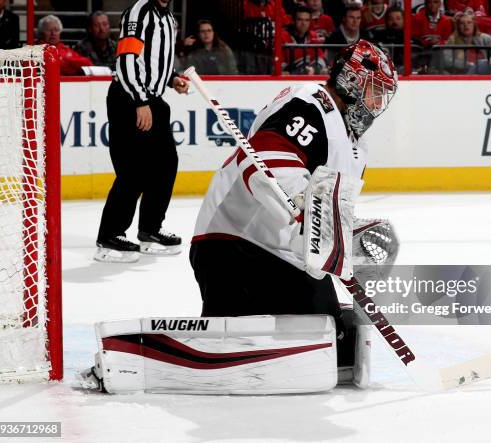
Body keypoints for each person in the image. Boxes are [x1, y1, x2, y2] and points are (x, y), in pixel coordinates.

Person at [190, 39, 397, 340]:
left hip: (285, 255)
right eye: (373, 93)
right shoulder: (311, 102)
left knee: (329, 336)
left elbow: (332, 213)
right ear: (352, 81)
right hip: (233, 240)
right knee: (236, 338)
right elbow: (263, 158)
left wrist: (342, 243)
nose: (377, 106)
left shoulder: (357, 147)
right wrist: (305, 209)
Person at [94, 0, 190, 263]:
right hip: (130, 99)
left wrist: (172, 79)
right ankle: (110, 236)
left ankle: (150, 229)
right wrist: (140, 101)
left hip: (152, 100)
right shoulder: (139, 12)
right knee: (132, 170)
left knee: (165, 164)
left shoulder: (168, 18)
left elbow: (153, 62)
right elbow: (126, 60)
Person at [438, 8, 491, 74]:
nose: (466, 25)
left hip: (484, 73)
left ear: (474, 25)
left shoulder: (486, 38)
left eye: (469, 22)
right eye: (462, 23)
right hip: (463, 75)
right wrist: (469, 65)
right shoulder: (452, 40)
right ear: (458, 27)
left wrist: (486, 62)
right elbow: (446, 61)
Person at [279, 5, 327, 74]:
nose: (303, 23)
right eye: (300, 19)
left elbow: (321, 59)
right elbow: (279, 65)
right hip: (290, 79)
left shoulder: (313, 36)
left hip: (310, 78)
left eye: (307, 20)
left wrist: (313, 69)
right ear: (293, 21)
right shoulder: (282, 37)